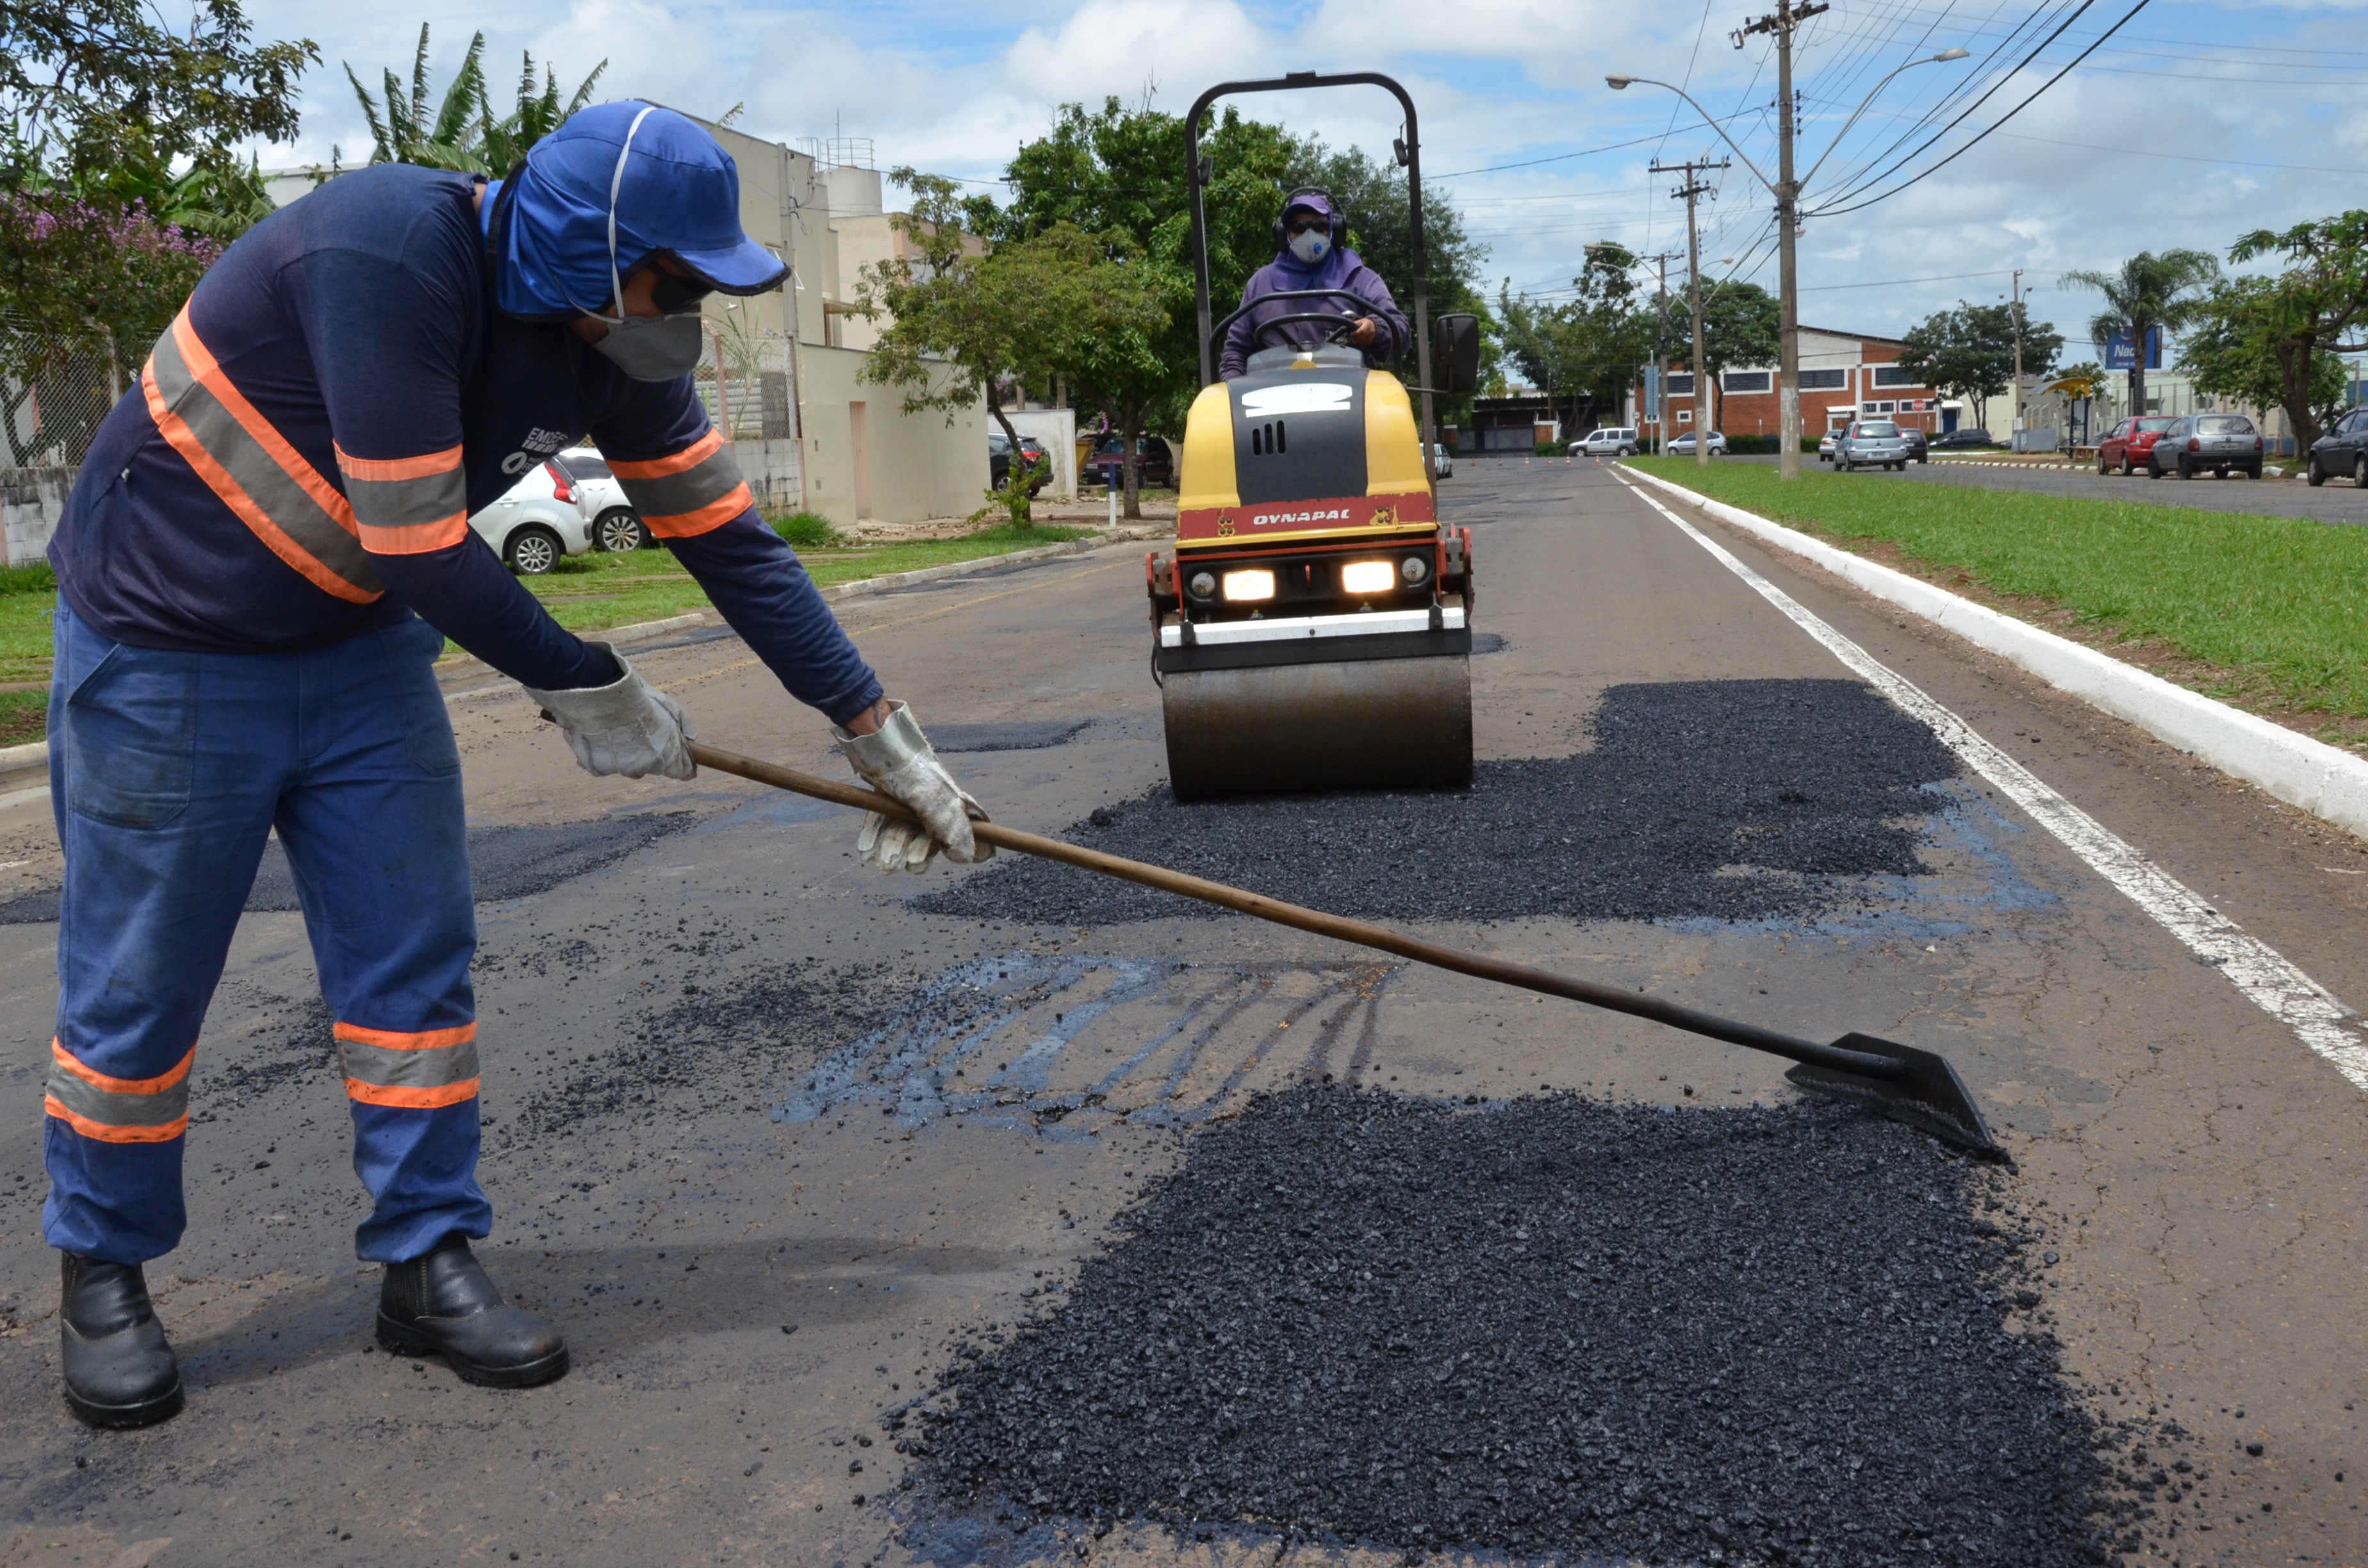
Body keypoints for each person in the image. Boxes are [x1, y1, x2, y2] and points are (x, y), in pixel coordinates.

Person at [40, 101, 990, 1430]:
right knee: (141, 986)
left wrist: (882, 736)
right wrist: (585, 682)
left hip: (360, 652)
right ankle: (106, 1274)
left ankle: (425, 1258)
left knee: (409, 967)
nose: (692, 313)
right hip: (169, 647)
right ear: (583, 252)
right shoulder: (382, 257)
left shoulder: (615, 350)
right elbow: (425, 543)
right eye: (677, 280)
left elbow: (737, 550)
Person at [1218, 188, 1410, 379]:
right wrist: (1235, 393)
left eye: (1319, 226)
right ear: (1284, 234)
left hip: (1351, 397)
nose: (1309, 234)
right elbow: (1235, 353)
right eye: (1299, 227)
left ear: (1335, 230)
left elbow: (1400, 332)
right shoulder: (1260, 284)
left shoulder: (1360, 278)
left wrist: (1375, 330)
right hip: (1274, 402)